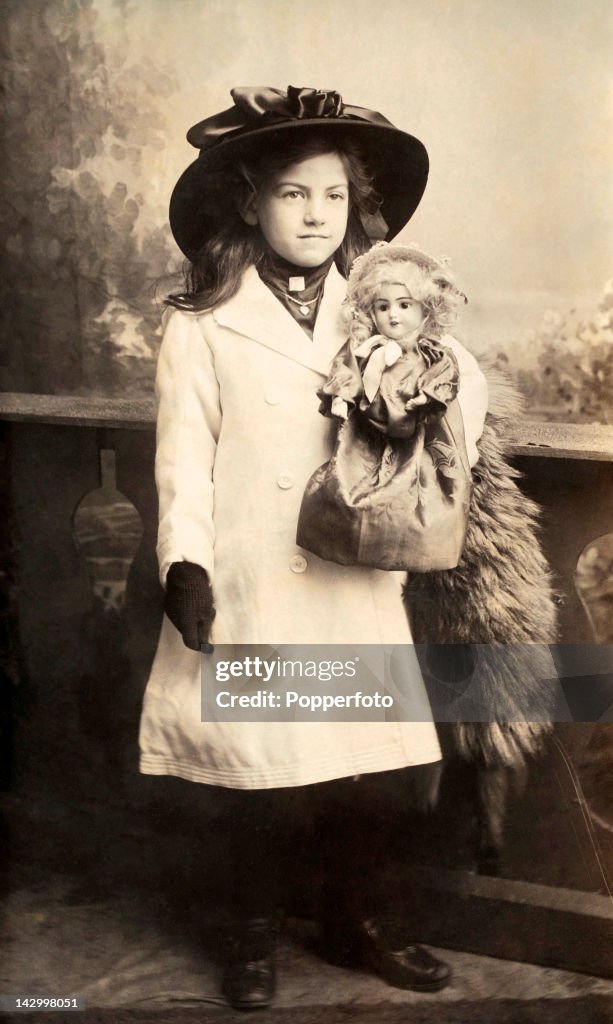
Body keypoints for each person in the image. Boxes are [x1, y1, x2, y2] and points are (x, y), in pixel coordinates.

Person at [138, 86, 489, 1011]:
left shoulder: (382, 312)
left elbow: (464, 400)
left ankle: (358, 920)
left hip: (350, 568)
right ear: (251, 201)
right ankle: (249, 932)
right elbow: (183, 455)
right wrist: (186, 562)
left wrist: (428, 384)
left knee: (360, 768)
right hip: (253, 573)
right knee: (259, 772)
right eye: (293, 195)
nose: (314, 215)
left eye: (331, 197)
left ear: (355, 209)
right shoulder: (201, 322)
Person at [297, 241, 473, 571]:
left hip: (416, 427)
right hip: (369, 426)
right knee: (352, 477)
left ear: (426, 309)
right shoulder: (367, 351)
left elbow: (445, 376)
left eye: (405, 305)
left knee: (421, 489)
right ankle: (348, 536)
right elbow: (345, 369)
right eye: (383, 306)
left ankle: (415, 543)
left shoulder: (432, 353)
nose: (393, 314)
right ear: (369, 311)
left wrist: (429, 397)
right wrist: (341, 397)